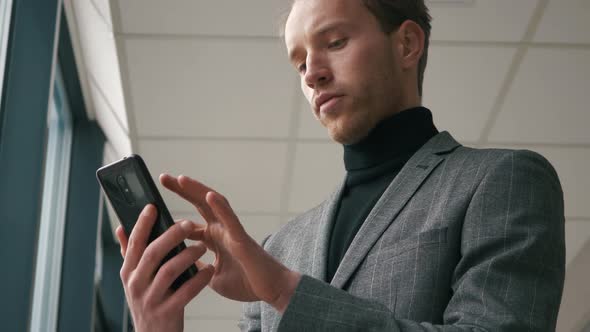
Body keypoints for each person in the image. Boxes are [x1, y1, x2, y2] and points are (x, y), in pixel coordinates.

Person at [115, 0, 566, 331]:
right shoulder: (280, 247)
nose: (311, 73)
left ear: (407, 43)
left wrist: (284, 292)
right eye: (299, 62)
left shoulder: (503, 180)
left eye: (334, 42)